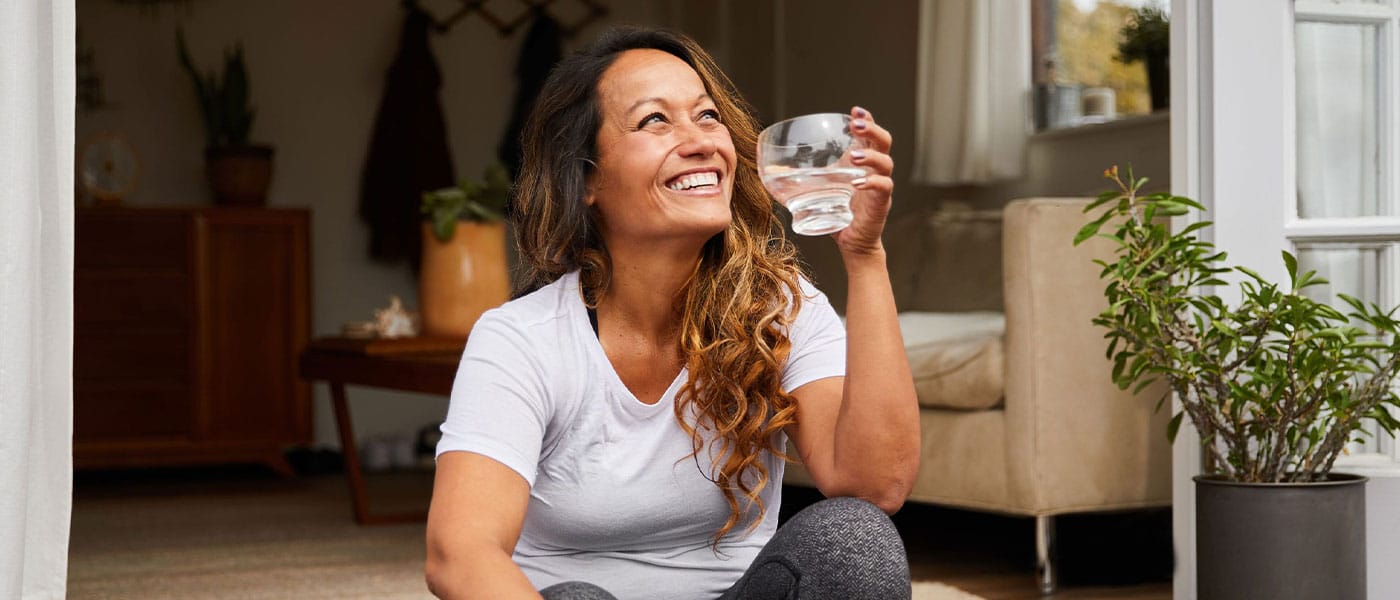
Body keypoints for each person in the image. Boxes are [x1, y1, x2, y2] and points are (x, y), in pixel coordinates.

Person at [425, 26, 920, 600]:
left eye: (707, 116)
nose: (700, 140)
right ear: (586, 177)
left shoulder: (779, 309)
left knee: (856, 536)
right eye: (655, 120)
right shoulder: (522, 340)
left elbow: (874, 485)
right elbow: (458, 555)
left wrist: (864, 257)